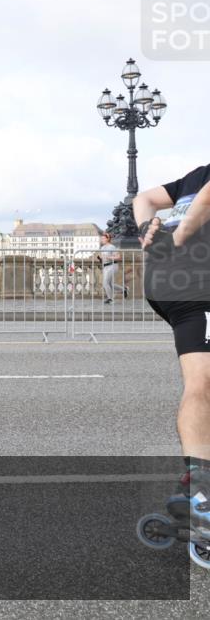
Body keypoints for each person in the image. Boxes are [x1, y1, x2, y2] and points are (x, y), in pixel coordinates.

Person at [133, 162, 210, 523]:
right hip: (199, 285)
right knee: (202, 385)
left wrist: (149, 230)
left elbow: (145, 198)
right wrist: (174, 241)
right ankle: (201, 490)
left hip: (170, 287)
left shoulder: (194, 175)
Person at [98, 232, 129, 304]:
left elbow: (118, 257)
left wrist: (109, 257)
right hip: (105, 266)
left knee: (105, 283)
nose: (101, 239)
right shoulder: (102, 248)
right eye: (101, 238)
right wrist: (101, 259)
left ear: (107, 239)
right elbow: (104, 258)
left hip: (112, 266)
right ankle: (124, 289)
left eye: (103, 238)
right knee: (110, 284)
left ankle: (110, 299)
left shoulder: (112, 247)